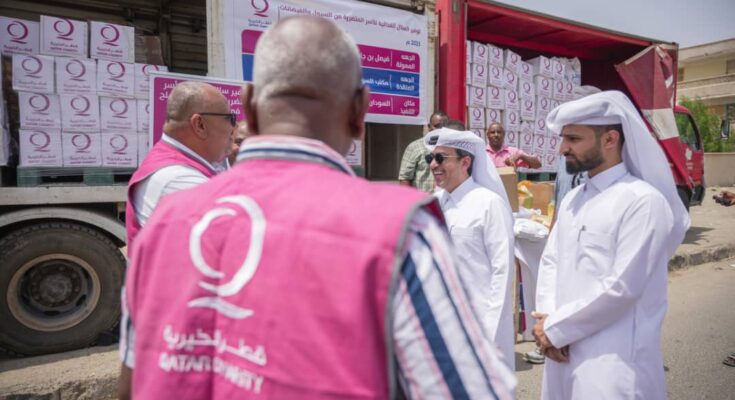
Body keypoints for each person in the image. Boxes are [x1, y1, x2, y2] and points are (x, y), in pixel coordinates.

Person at [121, 16, 515, 399]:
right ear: (359, 112)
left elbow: (132, 380)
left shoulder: (165, 221)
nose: (435, 165)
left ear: (248, 107)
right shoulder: (398, 230)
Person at [533, 91, 690, 399]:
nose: (563, 148)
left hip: (613, 361)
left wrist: (556, 328)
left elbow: (622, 286)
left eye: (574, 139)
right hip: (560, 351)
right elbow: (551, 261)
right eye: (563, 139)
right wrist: (547, 322)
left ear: (610, 139)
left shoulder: (642, 201)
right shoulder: (573, 199)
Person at [118, 81, 235, 399]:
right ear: (200, 125)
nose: (233, 129)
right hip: (178, 329)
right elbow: (244, 237)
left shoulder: (193, 165)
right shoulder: (176, 178)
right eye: (230, 119)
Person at [425, 128, 516, 370]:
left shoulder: (489, 204)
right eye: (431, 158)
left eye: (441, 158)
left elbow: (502, 273)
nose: (433, 165)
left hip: (479, 325)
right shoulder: (435, 203)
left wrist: (489, 334)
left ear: (465, 162)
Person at [398, 111, 448, 192]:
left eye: (444, 127)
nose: (440, 130)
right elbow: (405, 178)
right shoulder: (415, 147)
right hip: (422, 198)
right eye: (437, 126)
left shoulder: (451, 148)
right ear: (429, 126)